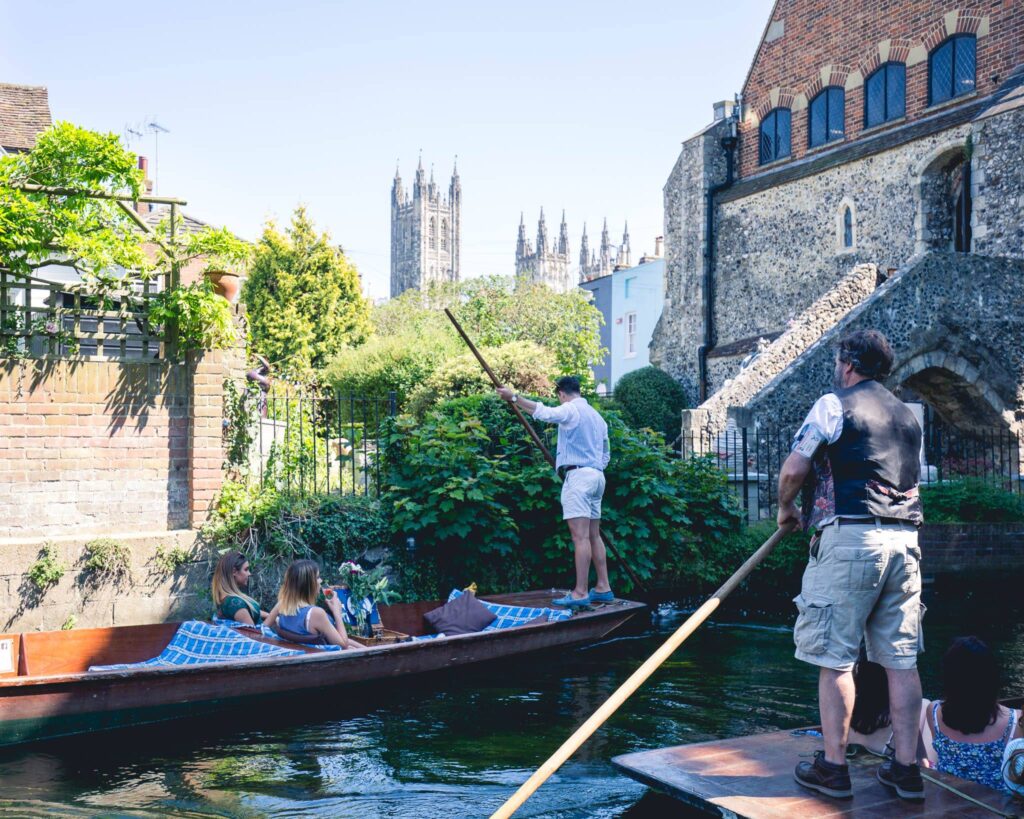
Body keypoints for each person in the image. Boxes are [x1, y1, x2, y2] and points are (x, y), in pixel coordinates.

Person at [778, 330, 926, 801]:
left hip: (852, 539)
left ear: (847, 364)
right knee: (901, 660)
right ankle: (906, 771)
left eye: (839, 362)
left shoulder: (833, 404)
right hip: (906, 543)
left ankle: (834, 769)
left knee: (835, 657)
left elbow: (793, 469)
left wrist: (787, 508)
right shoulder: (908, 415)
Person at [496, 376, 612, 607]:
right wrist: (592, 466)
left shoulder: (570, 409)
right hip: (597, 476)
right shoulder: (598, 418)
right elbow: (606, 455)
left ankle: (580, 593)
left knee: (579, 537)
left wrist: (514, 397)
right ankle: (603, 587)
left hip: (579, 478)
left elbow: (545, 413)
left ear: (561, 393)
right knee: (593, 534)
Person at [920, 636, 1022, 792]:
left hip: (949, 801)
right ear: (991, 678)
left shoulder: (933, 712)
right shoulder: (1016, 721)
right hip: (995, 807)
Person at [265, 559, 351, 648]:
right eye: (317, 577)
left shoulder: (283, 605)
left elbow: (264, 628)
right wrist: (337, 612)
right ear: (308, 584)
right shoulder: (316, 613)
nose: (321, 580)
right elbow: (343, 646)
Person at [848, 652, 894, 756]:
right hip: (886, 750)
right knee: (924, 703)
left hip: (853, 751)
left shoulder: (845, 708)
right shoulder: (899, 717)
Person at [212, 551, 268, 626]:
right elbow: (255, 634)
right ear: (234, 571)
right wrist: (276, 611)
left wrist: (271, 616)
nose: (249, 573)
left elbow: (250, 610)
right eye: (246, 569)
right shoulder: (234, 603)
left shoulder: (229, 599)